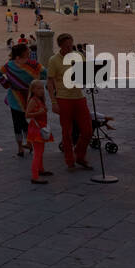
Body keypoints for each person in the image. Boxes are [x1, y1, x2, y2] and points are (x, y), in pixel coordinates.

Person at [46, 33, 93, 171]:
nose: (69, 49)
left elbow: (87, 74)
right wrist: (53, 102)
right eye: (67, 46)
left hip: (79, 96)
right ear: (60, 46)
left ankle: (79, 154)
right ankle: (69, 160)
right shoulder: (54, 60)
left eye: (71, 45)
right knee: (67, 132)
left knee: (88, 130)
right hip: (63, 98)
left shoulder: (78, 56)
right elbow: (50, 82)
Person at [0, 43, 42, 157]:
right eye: (27, 51)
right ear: (23, 53)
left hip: (14, 98)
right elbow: (44, 73)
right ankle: (29, 142)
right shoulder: (32, 65)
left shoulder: (9, 65)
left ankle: (20, 147)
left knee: (17, 123)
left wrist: (7, 84)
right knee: (27, 122)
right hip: (28, 97)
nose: (29, 52)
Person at [25, 79, 53, 184]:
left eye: (42, 88)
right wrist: (39, 112)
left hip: (41, 129)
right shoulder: (33, 100)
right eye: (38, 88)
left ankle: (41, 169)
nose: (41, 90)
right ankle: (35, 176)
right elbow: (27, 114)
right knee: (37, 152)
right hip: (36, 130)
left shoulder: (39, 100)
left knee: (40, 151)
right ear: (33, 90)